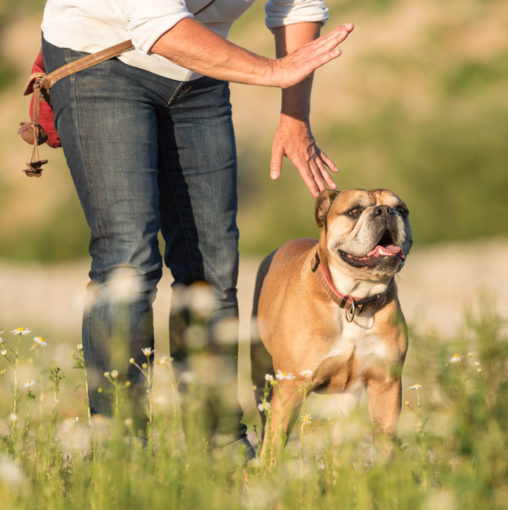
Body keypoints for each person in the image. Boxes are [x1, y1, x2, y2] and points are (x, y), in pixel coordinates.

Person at [39, 0, 353, 450]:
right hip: (100, 55)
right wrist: (271, 71)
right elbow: (158, 24)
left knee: (213, 266)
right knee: (128, 260)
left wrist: (294, 116)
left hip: (197, 71)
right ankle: (119, 453)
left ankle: (219, 444)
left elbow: (296, 4)